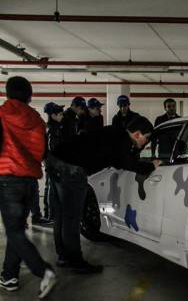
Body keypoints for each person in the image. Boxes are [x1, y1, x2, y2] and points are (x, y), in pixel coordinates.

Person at [47, 117, 160, 273]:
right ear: (137, 134)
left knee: (61, 214)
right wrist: (151, 165)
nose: (146, 143)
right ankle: (76, 262)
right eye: (146, 138)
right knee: (71, 217)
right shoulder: (122, 142)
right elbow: (128, 164)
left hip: (55, 160)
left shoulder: (115, 132)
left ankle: (63, 256)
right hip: (72, 169)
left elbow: (118, 159)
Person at [0, 76, 57, 298]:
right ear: (29, 95)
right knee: (17, 229)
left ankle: (43, 271)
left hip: (8, 179)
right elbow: (42, 152)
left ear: (8, 93)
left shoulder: (3, 114)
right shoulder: (37, 120)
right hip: (30, 181)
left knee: (14, 231)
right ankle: (9, 276)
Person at [43, 102, 66, 224]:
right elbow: (53, 148)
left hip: (51, 163)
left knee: (50, 188)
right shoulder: (54, 129)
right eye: (60, 114)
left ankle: (50, 214)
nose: (62, 116)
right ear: (53, 115)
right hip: (54, 164)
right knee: (52, 189)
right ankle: (51, 215)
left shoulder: (51, 127)